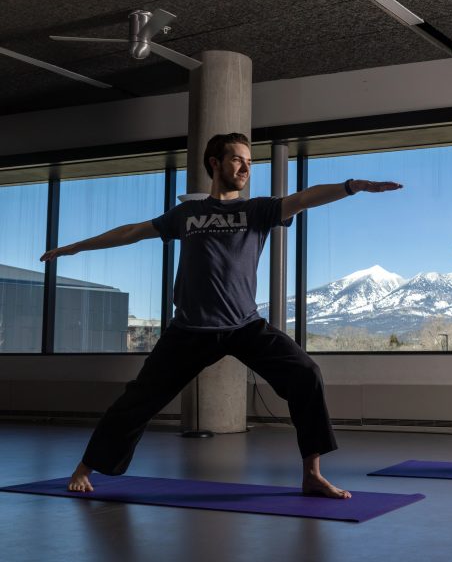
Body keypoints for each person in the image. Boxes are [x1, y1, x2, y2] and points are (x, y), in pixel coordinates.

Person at [41, 132, 402, 498]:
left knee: (306, 373)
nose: (245, 167)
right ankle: (85, 467)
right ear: (215, 163)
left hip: (244, 325)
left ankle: (312, 474)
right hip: (189, 330)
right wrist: (75, 247)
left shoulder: (257, 210)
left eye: (249, 161)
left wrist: (352, 186)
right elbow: (133, 232)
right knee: (138, 400)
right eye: (237, 159)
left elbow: (305, 198)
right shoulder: (187, 214)